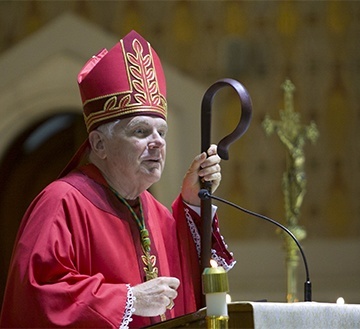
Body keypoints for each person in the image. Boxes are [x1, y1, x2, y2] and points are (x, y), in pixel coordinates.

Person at [0, 30, 234, 328]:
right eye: (140, 131)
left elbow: (188, 285)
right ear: (98, 144)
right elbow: (40, 295)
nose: (157, 142)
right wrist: (130, 300)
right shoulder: (61, 202)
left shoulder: (155, 212)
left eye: (161, 132)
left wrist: (192, 202)